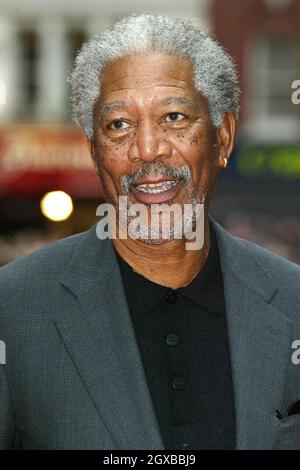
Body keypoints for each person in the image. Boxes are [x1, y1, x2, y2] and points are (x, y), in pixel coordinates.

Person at [0, 13, 300, 450]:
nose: (146, 150)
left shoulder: (293, 301)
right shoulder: (12, 308)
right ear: (95, 150)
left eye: (174, 117)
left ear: (225, 137)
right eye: (118, 124)